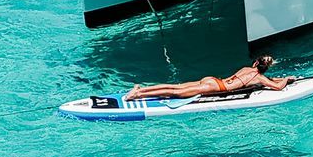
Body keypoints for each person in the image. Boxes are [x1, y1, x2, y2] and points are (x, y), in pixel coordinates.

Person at [124, 56, 294, 102]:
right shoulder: (260, 78)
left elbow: (264, 78)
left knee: (175, 85)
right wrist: (286, 79)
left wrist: (277, 78)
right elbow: (276, 87)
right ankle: (136, 96)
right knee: (176, 93)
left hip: (212, 79)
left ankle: (141, 89)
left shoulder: (248, 69)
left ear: (256, 62)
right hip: (216, 88)